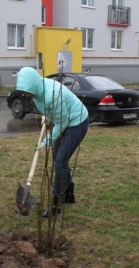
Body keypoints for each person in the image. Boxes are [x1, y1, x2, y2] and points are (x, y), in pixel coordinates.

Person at [15, 67, 89, 218]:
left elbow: (62, 122)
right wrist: (47, 117)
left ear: (34, 85)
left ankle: (56, 203)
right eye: (24, 91)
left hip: (77, 122)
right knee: (59, 158)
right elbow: (51, 111)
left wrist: (46, 141)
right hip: (64, 120)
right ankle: (68, 193)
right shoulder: (36, 92)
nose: (25, 94)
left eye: (27, 90)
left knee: (60, 161)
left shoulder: (50, 95)